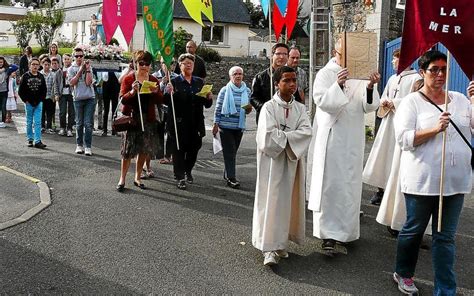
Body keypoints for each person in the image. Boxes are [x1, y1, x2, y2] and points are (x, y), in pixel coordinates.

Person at [391, 50, 472, 295]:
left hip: (455, 182)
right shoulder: (411, 102)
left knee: (445, 238)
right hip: (422, 181)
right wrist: (434, 129)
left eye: (443, 69)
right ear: (422, 72)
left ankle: (445, 288)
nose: (439, 74)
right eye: (434, 69)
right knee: (413, 231)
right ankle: (403, 273)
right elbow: (404, 139)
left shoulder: (459, 99)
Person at [308, 38, 380, 251]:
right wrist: (338, 85)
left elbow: (369, 107)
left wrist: (369, 86)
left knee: (349, 185)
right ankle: (328, 235)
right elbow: (322, 102)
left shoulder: (360, 73)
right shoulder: (325, 74)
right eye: (342, 54)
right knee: (331, 185)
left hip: (353, 137)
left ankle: (347, 232)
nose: (346, 58)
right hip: (332, 136)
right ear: (335, 52)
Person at [252, 66, 312, 266]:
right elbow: (267, 137)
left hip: (292, 164)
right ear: (277, 83)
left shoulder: (300, 108)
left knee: (287, 202)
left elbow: (306, 133)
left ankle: (281, 243)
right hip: (272, 163)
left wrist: (283, 136)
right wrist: (290, 138)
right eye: (287, 80)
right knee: (271, 201)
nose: (292, 84)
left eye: (294, 80)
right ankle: (268, 247)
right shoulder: (268, 107)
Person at [362, 49, 420, 205]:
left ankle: (394, 192)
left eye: (396, 59)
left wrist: (395, 103)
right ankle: (380, 189)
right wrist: (384, 102)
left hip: (402, 123)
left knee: (396, 156)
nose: (393, 62)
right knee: (383, 155)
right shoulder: (393, 78)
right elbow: (384, 95)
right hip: (388, 122)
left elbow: (415, 100)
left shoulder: (416, 79)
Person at [116, 50, 164, 192]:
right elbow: (122, 98)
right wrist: (132, 92)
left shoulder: (153, 80)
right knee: (127, 150)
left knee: (143, 148)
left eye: (147, 64)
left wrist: (157, 93)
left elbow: (160, 100)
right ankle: (122, 178)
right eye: (141, 63)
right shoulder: (129, 79)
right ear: (136, 64)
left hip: (148, 118)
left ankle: (137, 177)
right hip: (132, 118)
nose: (144, 66)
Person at [164, 53, 213, 190]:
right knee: (178, 150)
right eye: (186, 63)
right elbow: (166, 102)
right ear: (180, 66)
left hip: (196, 122)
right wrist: (168, 93)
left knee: (194, 148)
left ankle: (187, 170)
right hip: (179, 122)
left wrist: (209, 98)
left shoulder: (199, 82)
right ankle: (180, 176)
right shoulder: (174, 82)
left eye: (191, 63)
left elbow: (206, 104)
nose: (189, 65)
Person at [212, 66, 252, 188]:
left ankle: (227, 172)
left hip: (239, 126)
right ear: (230, 76)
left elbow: (247, 110)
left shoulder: (247, 91)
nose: (238, 76)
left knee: (233, 152)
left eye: (240, 73)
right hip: (225, 126)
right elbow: (218, 108)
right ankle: (231, 178)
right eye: (235, 74)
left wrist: (248, 109)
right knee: (229, 152)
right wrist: (215, 124)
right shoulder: (225, 90)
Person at [251, 43, 289, 124]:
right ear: (272, 55)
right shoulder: (260, 77)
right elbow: (253, 98)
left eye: (285, 54)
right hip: (266, 119)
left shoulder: (291, 77)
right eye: (278, 54)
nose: (281, 57)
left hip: (287, 120)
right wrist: (265, 107)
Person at [68, 47, 95, 156]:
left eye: (81, 56)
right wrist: (80, 71)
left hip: (89, 98)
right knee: (79, 123)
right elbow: (72, 82)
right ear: (74, 57)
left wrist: (87, 69)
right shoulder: (71, 69)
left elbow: (89, 82)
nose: (79, 58)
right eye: (77, 56)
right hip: (78, 98)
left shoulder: (89, 67)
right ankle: (79, 145)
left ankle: (88, 146)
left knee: (88, 124)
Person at [18, 57, 47, 148]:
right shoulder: (25, 76)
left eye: (36, 64)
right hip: (28, 103)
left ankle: (37, 140)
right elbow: (20, 91)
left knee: (38, 122)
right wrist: (25, 100)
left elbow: (44, 90)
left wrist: (41, 100)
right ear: (29, 65)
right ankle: (30, 138)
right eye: (33, 64)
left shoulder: (41, 76)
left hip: (38, 103)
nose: (35, 66)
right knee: (29, 121)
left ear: (39, 66)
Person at [55, 53, 75, 137]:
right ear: (62, 60)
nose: (66, 61)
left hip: (71, 93)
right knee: (62, 112)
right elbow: (56, 83)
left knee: (72, 112)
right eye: (65, 59)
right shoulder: (59, 71)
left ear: (71, 60)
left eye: (68, 59)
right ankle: (62, 127)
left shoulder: (73, 70)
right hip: (62, 94)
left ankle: (69, 129)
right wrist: (56, 94)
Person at [101, 71, 120, 136]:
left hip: (115, 89)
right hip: (106, 89)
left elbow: (119, 78)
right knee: (106, 110)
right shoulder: (105, 68)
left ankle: (114, 130)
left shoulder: (117, 68)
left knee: (114, 111)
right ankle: (104, 130)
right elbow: (104, 78)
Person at [40, 57, 55, 133]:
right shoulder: (39, 74)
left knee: (50, 112)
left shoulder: (53, 74)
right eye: (45, 64)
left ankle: (49, 126)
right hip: (42, 97)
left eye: (48, 65)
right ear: (42, 65)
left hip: (50, 96)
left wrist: (54, 95)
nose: (47, 66)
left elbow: (54, 85)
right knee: (42, 112)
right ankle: (42, 126)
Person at [0, 56, 9, 128]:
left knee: (3, 107)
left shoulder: (6, 70)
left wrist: (5, 68)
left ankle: (3, 121)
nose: (0, 63)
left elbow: (15, 67)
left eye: (1, 62)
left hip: (4, 91)